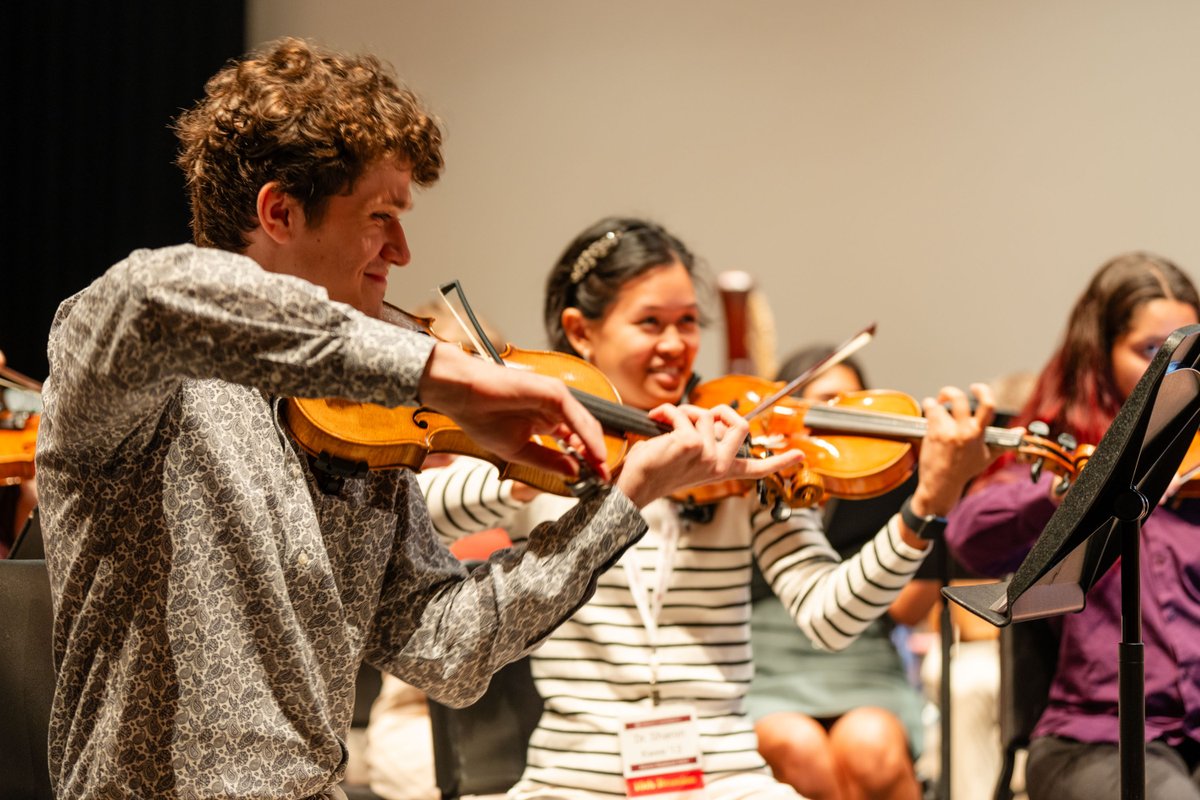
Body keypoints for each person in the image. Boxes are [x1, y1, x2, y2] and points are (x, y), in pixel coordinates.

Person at [34, 39, 797, 800]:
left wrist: (626, 496)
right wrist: (447, 375)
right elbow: (149, 297)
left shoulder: (369, 427)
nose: (401, 250)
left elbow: (450, 647)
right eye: (379, 216)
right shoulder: (137, 371)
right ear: (279, 211)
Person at [416, 216, 999, 799]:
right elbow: (426, 515)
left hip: (720, 775)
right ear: (581, 331)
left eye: (688, 322)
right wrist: (530, 473)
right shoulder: (543, 449)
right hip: (572, 779)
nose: (676, 344)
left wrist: (928, 504)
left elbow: (832, 617)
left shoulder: (735, 451)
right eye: (650, 323)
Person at [945, 251, 1200, 800]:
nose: (1171, 371)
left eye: (1185, 355)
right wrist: (1082, 485)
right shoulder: (1063, 456)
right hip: (1096, 742)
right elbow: (970, 536)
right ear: (1098, 356)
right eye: (1151, 352)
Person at [746, 345, 930, 800]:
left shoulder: (886, 487)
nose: (841, 421)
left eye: (853, 407)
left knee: (872, 747)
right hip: (768, 668)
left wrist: (937, 502)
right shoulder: (752, 484)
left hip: (863, 664)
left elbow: (907, 611)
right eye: (826, 403)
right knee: (796, 747)